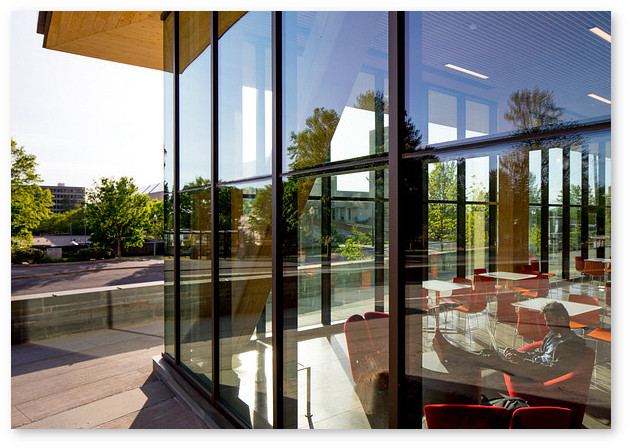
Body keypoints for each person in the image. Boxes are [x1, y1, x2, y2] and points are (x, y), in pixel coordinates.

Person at [432, 301, 586, 383]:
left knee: (493, 358)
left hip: (539, 375)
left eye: (550, 321)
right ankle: (452, 353)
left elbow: (553, 371)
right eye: (546, 321)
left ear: (562, 319)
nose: (547, 325)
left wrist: (523, 362)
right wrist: (519, 354)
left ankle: (452, 353)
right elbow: (539, 354)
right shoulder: (552, 335)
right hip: (531, 366)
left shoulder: (573, 343)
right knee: (490, 352)